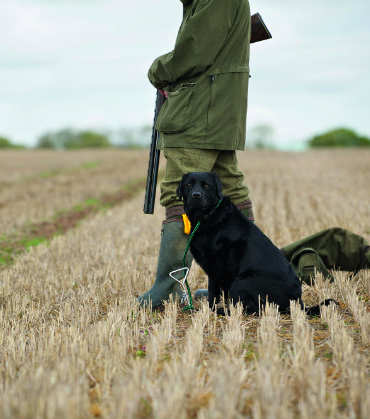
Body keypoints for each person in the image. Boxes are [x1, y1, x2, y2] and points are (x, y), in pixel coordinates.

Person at [138, 0, 255, 308]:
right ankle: (242, 284)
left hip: (199, 111)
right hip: (216, 110)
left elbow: (194, 51)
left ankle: (167, 288)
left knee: (181, 195)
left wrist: (158, 70)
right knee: (229, 191)